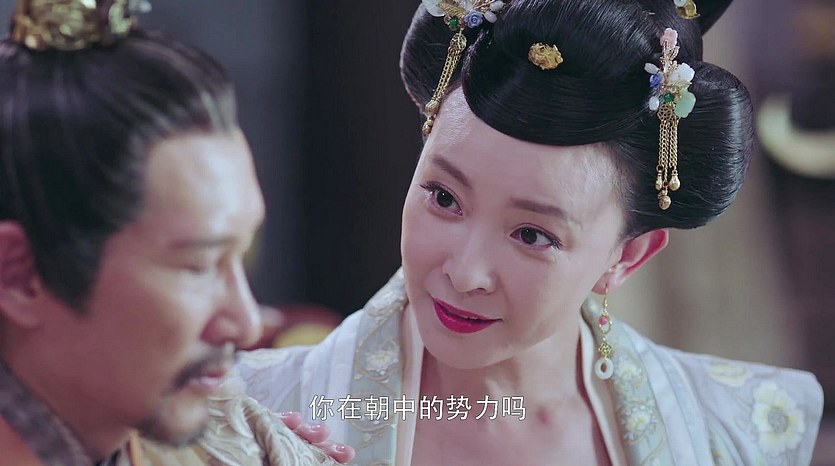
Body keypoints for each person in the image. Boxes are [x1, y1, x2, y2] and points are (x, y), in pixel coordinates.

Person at [233, 0, 824, 464]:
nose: (465, 272)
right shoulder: (251, 416)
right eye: (444, 197)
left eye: (533, 235)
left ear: (627, 256)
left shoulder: (743, 429)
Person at [0, 0, 353, 464]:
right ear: (19, 275)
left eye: (242, 254)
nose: (246, 323)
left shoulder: (239, 439)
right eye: (199, 266)